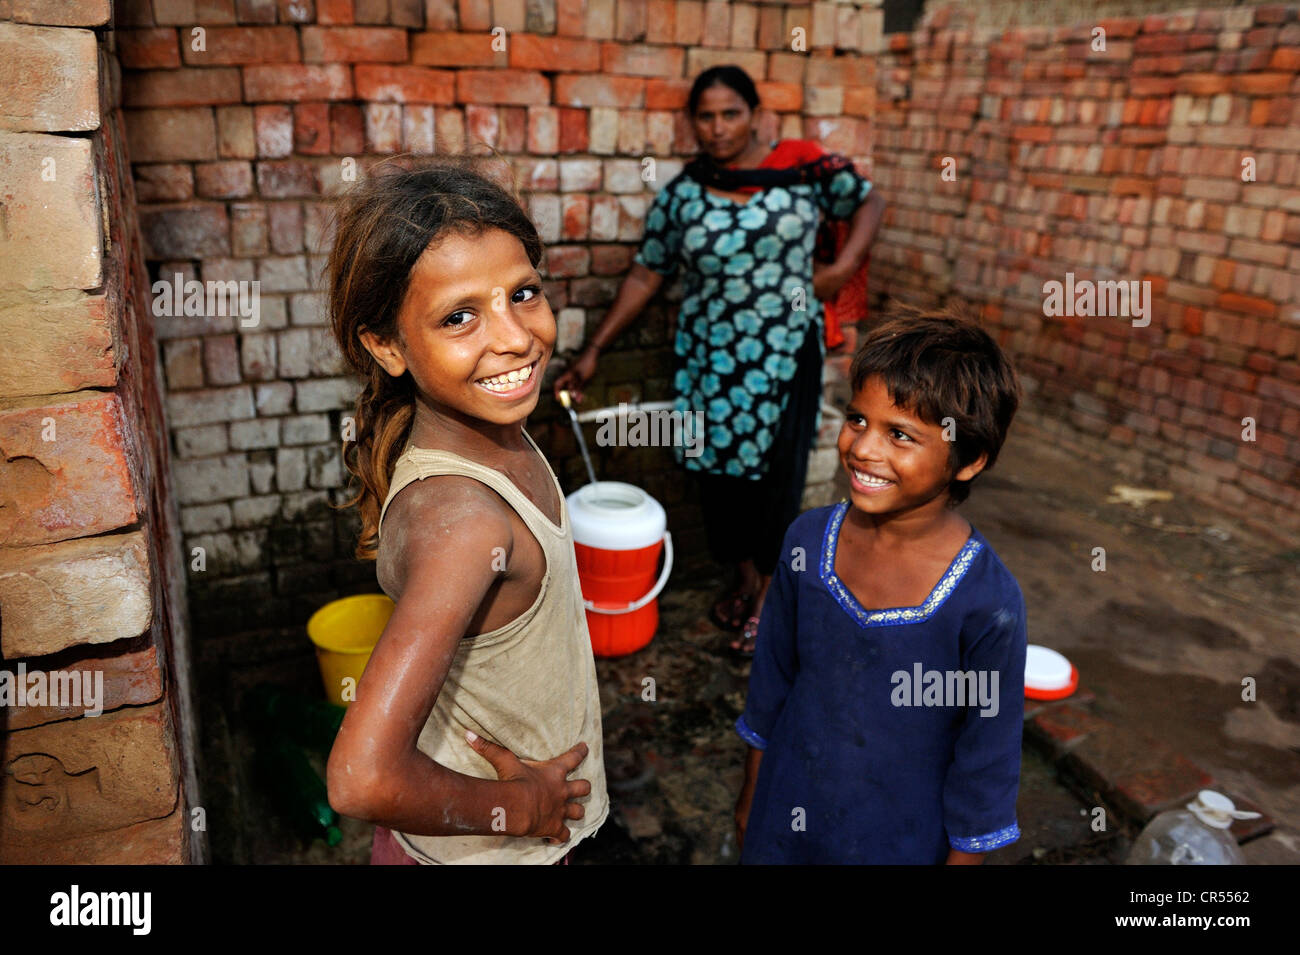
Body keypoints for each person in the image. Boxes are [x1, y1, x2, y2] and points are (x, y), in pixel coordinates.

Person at [323, 156, 608, 864]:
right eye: (459, 317)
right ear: (387, 345)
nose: (513, 337)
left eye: (524, 293)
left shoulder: (493, 441)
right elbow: (360, 778)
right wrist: (521, 806)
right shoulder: (469, 521)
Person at [553, 65, 886, 656]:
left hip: (786, 353)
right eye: (704, 116)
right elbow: (646, 271)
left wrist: (836, 271)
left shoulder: (805, 170)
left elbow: (869, 202)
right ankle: (743, 576)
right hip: (709, 358)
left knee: (776, 477)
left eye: (730, 113)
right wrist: (594, 351)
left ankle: (767, 597)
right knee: (715, 476)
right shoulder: (685, 192)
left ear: (756, 114)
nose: (717, 128)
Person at [733, 307, 1028, 864]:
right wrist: (752, 795)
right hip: (786, 812)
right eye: (857, 419)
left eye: (900, 435)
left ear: (969, 461)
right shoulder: (806, 543)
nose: (865, 449)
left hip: (898, 840)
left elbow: (985, 764)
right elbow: (771, 683)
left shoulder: (987, 604)